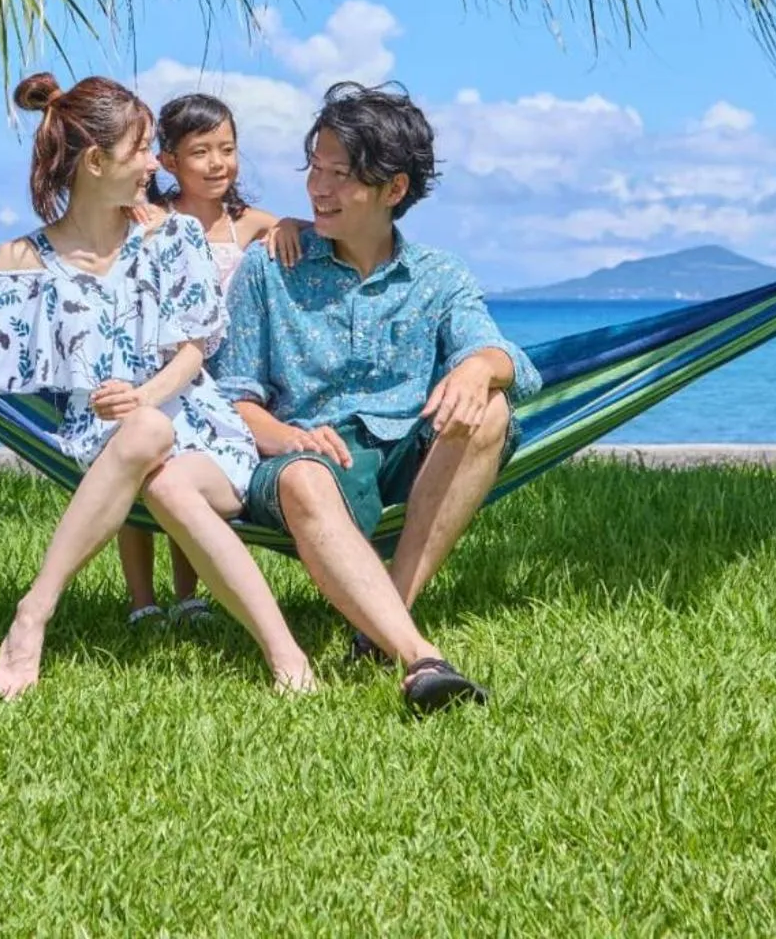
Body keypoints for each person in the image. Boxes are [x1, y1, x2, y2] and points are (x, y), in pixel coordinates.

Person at [0, 73, 314, 700]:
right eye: (141, 151)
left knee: (153, 434)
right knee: (145, 439)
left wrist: (145, 395)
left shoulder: (172, 236)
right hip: (100, 438)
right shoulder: (23, 263)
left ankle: (36, 610)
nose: (154, 164)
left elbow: (195, 347)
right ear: (96, 162)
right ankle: (284, 657)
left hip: (198, 426)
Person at [212, 81, 544, 714]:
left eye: (341, 175)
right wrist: (286, 439)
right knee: (306, 481)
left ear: (393, 189)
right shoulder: (270, 267)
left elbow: (510, 362)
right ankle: (419, 657)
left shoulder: (437, 276)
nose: (318, 188)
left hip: (405, 456)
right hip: (305, 459)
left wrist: (478, 369)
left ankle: (379, 619)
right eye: (315, 169)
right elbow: (234, 397)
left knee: (492, 408)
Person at [114, 93, 307, 628]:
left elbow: (309, 230)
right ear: (169, 161)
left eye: (227, 148)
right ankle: (140, 599)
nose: (218, 163)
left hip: (225, 375)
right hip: (161, 367)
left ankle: (188, 595)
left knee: (190, 472)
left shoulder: (244, 225)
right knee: (137, 468)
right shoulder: (150, 219)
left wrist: (288, 224)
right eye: (201, 152)